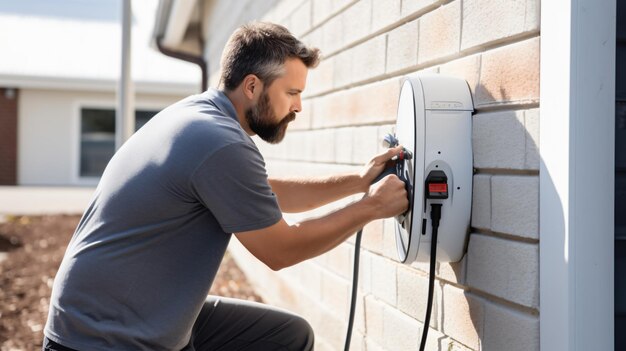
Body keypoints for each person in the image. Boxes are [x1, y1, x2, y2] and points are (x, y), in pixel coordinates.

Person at [43, 22, 408, 351]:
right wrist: (371, 208)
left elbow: (263, 193)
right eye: (292, 92)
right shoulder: (221, 143)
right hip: (103, 338)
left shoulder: (199, 117)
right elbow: (282, 250)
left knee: (286, 337)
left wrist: (358, 182)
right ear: (252, 85)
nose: (298, 106)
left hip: (121, 316)